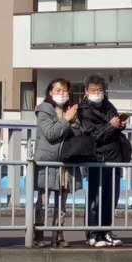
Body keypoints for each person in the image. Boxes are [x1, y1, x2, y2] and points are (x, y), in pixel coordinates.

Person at [33, 78, 85, 247]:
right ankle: (38, 235)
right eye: (58, 90)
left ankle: (59, 234)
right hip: (47, 162)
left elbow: (79, 132)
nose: (62, 94)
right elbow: (50, 133)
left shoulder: (71, 109)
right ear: (50, 92)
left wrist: (72, 119)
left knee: (62, 201)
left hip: (66, 161)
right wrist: (66, 120)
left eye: (65, 91)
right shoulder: (44, 110)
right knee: (43, 200)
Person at [80, 74, 130, 247]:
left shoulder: (109, 106)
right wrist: (111, 126)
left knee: (111, 196)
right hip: (97, 158)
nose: (97, 93)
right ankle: (93, 232)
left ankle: (106, 230)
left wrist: (120, 124)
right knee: (96, 197)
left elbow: (113, 125)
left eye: (100, 90)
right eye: (94, 90)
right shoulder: (83, 110)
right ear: (86, 91)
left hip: (114, 156)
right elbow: (92, 135)